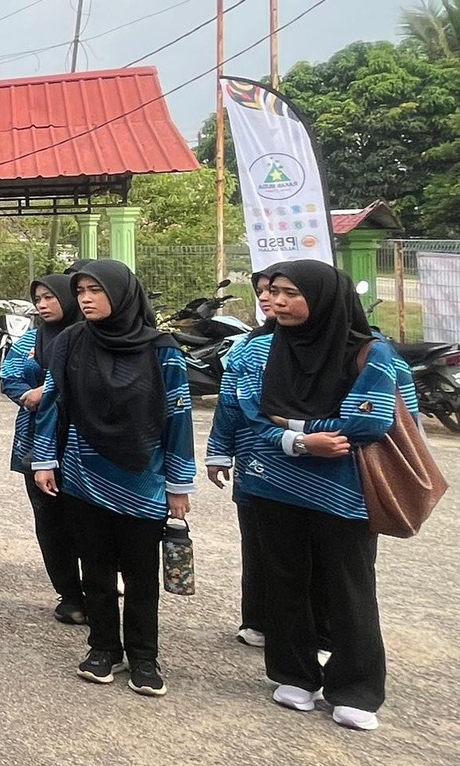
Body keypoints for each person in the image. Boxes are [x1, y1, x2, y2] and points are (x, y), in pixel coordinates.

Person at [206, 260, 401, 731]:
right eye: (272, 291)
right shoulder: (256, 353)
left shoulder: (371, 354)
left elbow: (370, 422)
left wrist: (295, 425)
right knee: (283, 580)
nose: (277, 301)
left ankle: (355, 688)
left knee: (349, 586)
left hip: (343, 491)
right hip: (272, 484)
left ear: (324, 297)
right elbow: (250, 412)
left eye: (291, 292)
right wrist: (298, 440)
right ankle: (294, 673)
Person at [31, 260, 194, 698]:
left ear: (121, 293)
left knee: (141, 575)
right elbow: (53, 401)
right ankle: (103, 648)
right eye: (81, 290)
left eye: (96, 290)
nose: (85, 298)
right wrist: (43, 460)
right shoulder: (70, 342)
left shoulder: (162, 350)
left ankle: (144, 657)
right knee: (96, 569)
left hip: (144, 477)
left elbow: (177, 418)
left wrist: (179, 485)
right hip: (84, 473)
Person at [0, 271, 86, 624]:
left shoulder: (90, 339)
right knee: (49, 521)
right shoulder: (29, 342)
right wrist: (27, 394)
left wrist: (47, 388)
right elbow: (10, 377)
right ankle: (69, 593)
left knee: (86, 519)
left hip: (82, 442)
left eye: (50, 297)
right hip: (35, 440)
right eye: (38, 299)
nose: (43, 305)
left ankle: (98, 586)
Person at [209, 271, 278, 648]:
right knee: (257, 543)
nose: (269, 299)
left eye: (279, 291)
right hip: (256, 463)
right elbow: (230, 405)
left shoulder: (353, 345)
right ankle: (259, 619)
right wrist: (219, 450)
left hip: (325, 468)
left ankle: (322, 630)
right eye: (264, 292)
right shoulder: (248, 347)